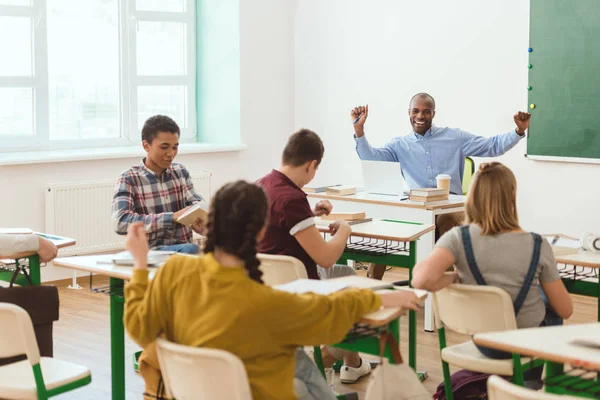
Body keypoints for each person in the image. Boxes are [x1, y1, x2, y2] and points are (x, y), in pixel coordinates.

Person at [124, 180, 421, 400]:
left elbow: (139, 327)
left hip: (183, 390)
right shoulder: (267, 304)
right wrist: (379, 295)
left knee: (299, 363)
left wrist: (140, 266)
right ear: (262, 231)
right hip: (251, 390)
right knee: (299, 366)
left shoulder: (174, 271)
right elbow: (330, 313)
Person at [411, 162, 572, 385]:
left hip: (483, 341)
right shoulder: (537, 244)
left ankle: (499, 384)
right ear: (512, 197)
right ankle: (528, 386)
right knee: (549, 304)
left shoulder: (458, 237)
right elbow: (566, 309)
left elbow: (420, 279)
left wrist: (456, 277)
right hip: (524, 345)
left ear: (472, 196)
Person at [352, 93, 532, 278]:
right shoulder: (400, 145)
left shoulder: (455, 138)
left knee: (448, 223)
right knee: (387, 228)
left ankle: (445, 286)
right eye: (416, 111)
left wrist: (518, 132)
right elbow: (371, 159)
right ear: (409, 112)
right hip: (417, 207)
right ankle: (373, 287)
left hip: (449, 206)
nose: (420, 116)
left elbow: (492, 146)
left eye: (426, 112)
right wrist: (359, 131)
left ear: (433, 114)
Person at [257, 129, 372, 383]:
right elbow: (326, 257)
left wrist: (309, 215)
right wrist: (344, 231)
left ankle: (353, 365)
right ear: (312, 165)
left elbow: (279, 224)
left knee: (349, 275)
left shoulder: (261, 184)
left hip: (268, 285)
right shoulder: (292, 198)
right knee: (365, 306)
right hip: (301, 288)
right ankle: (316, 362)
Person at [112, 115, 205, 254]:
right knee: (192, 250)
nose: (171, 153)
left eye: (175, 147)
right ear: (146, 145)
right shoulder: (129, 178)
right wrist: (171, 217)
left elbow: (197, 204)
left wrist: (202, 220)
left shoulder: (180, 172)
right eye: (164, 147)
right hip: (149, 252)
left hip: (183, 249)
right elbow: (120, 222)